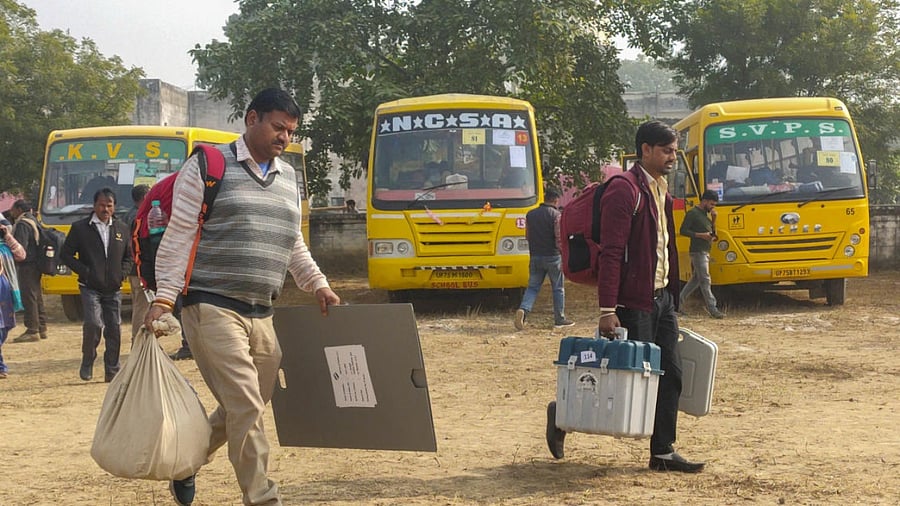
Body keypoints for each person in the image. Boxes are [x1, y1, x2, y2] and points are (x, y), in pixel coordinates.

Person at [144, 88, 341, 506]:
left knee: (242, 407)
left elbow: (292, 243)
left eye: (290, 131)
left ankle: (187, 462)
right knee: (247, 403)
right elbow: (179, 234)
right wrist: (163, 300)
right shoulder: (208, 165)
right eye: (277, 127)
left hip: (263, 312)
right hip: (211, 305)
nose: (284, 137)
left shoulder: (289, 177)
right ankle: (263, 498)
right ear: (251, 119)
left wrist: (318, 283)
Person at [594, 120, 704, 473]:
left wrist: (673, 294)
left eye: (675, 150)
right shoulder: (624, 190)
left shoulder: (660, 190)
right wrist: (607, 309)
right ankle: (561, 415)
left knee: (670, 373)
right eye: (667, 150)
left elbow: (665, 247)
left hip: (662, 300)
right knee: (627, 382)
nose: (674, 156)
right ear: (645, 150)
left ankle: (663, 453)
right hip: (632, 302)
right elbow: (611, 252)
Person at [61, 188, 133, 382]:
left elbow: (129, 257)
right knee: (93, 324)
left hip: (114, 288)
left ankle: (112, 368)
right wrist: (85, 272)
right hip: (89, 286)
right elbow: (66, 255)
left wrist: (122, 274)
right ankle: (88, 360)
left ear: (114, 207)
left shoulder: (122, 228)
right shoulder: (80, 228)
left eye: (109, 205)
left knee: (114, 328)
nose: (105, 209)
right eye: (101, 205)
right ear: (94, 206)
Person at [514, 187, 573, 330]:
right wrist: (564, 254)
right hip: (552, 257)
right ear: (555, 200)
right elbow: (559, 238)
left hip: (535, 256)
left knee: (533, 287)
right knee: (558, 288)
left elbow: (527, 236)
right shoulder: (556, 215)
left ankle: (524, 309)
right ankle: (559, 319)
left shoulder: (530, 214)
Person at [679, 190, 725, 319]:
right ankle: (713, 308)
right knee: (705, 279)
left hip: (705, 250)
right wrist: (700, 235)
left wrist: (714, 219)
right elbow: (683, 230)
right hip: (698, 251)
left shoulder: (706, 215)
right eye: (711, 204)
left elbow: (713, 232)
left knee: (695, 280)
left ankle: (678, 303)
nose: (712, 207)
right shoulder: (693, 214)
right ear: (704, 201)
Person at [7, 200, 48, 342]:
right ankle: (42, 327)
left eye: (12, 209)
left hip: (27, 265)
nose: (11, 212)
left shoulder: (23, 224)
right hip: (36, 264)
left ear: (19, 209)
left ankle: (32, 329)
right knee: (37, 295)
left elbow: (20, 247)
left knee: (28, 296)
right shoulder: (33, 220)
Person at [123, 184, 151, 339]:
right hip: (139, 267)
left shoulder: (128, 214)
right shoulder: (139, 217)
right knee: (142, 305)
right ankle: (139, 341)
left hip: (133, 268)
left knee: (139, 304)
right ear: (144, 197)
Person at [0, 218, 27, 378]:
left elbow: (21, 255)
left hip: (5, 291)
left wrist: (7, 236)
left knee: (4, 328)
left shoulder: (5, 245)